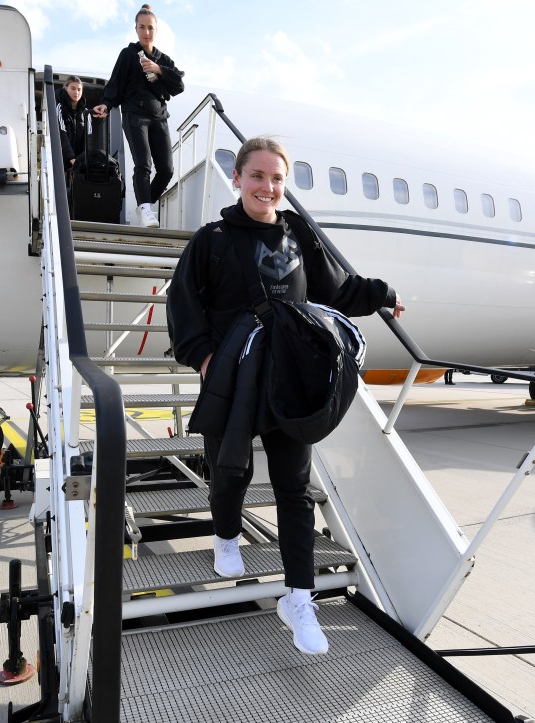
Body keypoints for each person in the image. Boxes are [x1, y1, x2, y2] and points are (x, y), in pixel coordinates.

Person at [167, 137, 405, 656]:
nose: (267, 187)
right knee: (229, 470)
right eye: (257, 176)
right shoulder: (212, 239)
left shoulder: (297, 233)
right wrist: (205, 359)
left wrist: (382, 293)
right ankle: (226, 536)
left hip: (288, 376)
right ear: (237, 178)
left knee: (293, 490)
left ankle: (299, 597)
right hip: (232, 374)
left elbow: (337, 289)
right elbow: (183, 304)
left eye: (277, 179)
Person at [92, 4, 184, 229]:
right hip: (134, 113)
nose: (146, 32)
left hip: (159, 115)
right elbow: (115, 82)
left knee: (166, 169)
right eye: (142, 27)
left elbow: (179, 85)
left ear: (156, 30)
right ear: (136, 29)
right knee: (143, 164)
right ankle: (145, 210)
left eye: (150, 27)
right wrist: (106, 103)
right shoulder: (128, 54)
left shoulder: (163, 59)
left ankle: (146, 205)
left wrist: (158, 69)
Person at [56, 75, 90, 171]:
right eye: (73, 88)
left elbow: (88, 138)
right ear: (65, 88)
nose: (76, 92)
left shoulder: (86, 112)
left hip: (80, 162)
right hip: (62, 158)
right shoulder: (59, 108)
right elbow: (61, 133)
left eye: (79, 89)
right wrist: (71, 158)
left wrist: (83, 160)